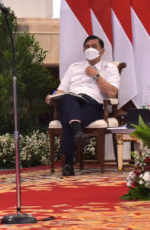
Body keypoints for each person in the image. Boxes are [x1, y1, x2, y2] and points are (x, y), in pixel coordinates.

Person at [45, 35, 120, 177]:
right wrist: (51, 96)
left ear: (102, 51)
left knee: (69, 117)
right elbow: (62, 90)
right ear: (83, 49)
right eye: (87, 46)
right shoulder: (74, 67)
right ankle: (78, 132)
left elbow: (112, 93)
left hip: (93, 105)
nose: (90, 49)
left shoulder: (109, 68)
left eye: (94, 46)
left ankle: (68, 162)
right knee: (67, 98)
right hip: (70, 100)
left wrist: (96, 75)